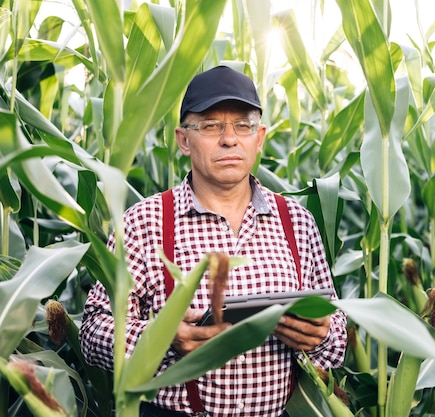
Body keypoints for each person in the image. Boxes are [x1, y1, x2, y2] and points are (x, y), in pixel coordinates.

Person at [79, 65, 347, 417]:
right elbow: (94, 331)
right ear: (183, 140)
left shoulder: (297, 221)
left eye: (243, 126)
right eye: (210, 126)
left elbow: (336, 333)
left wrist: (321, 335)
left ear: (260, 137)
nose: (229, 138)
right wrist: (160, 338)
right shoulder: (144, 222)